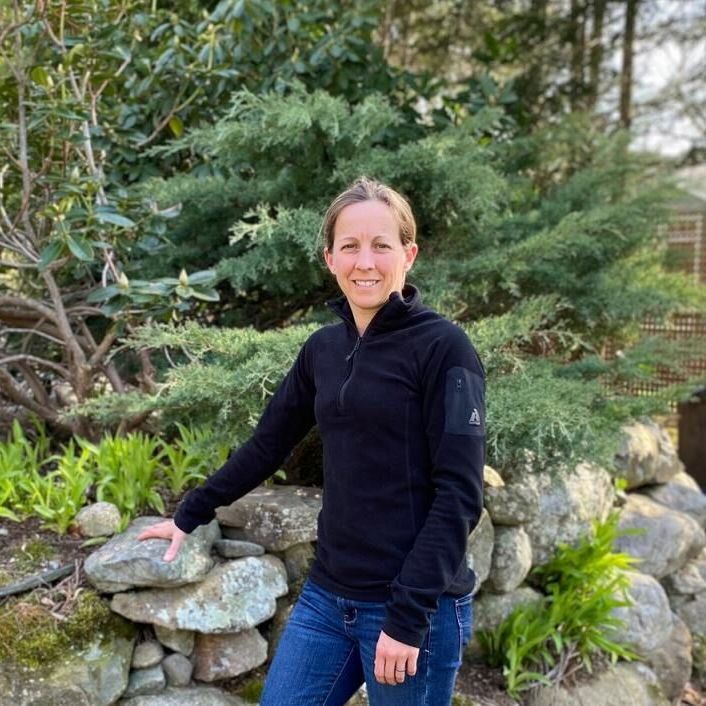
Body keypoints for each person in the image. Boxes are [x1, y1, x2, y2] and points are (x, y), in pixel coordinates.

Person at [137, 177, 486, 705]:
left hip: (415, 607)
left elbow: (460, 494)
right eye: (350, 246)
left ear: (408, 254)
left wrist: (409, 614)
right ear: (330, 258)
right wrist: (192, 512)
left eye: (380, 245)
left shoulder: (445, 349)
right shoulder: (322, 349)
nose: (364, 262)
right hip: (329, 597)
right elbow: (266, 445)